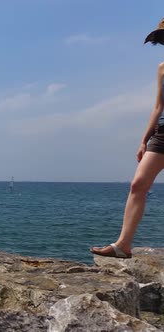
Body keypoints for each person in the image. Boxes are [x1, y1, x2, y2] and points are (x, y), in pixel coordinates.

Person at [91, 18, 164, 259]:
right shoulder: (162, 68)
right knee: (137, 184)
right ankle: (123, 246)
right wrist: (143, 140)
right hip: (161, 134)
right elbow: (158, 107)